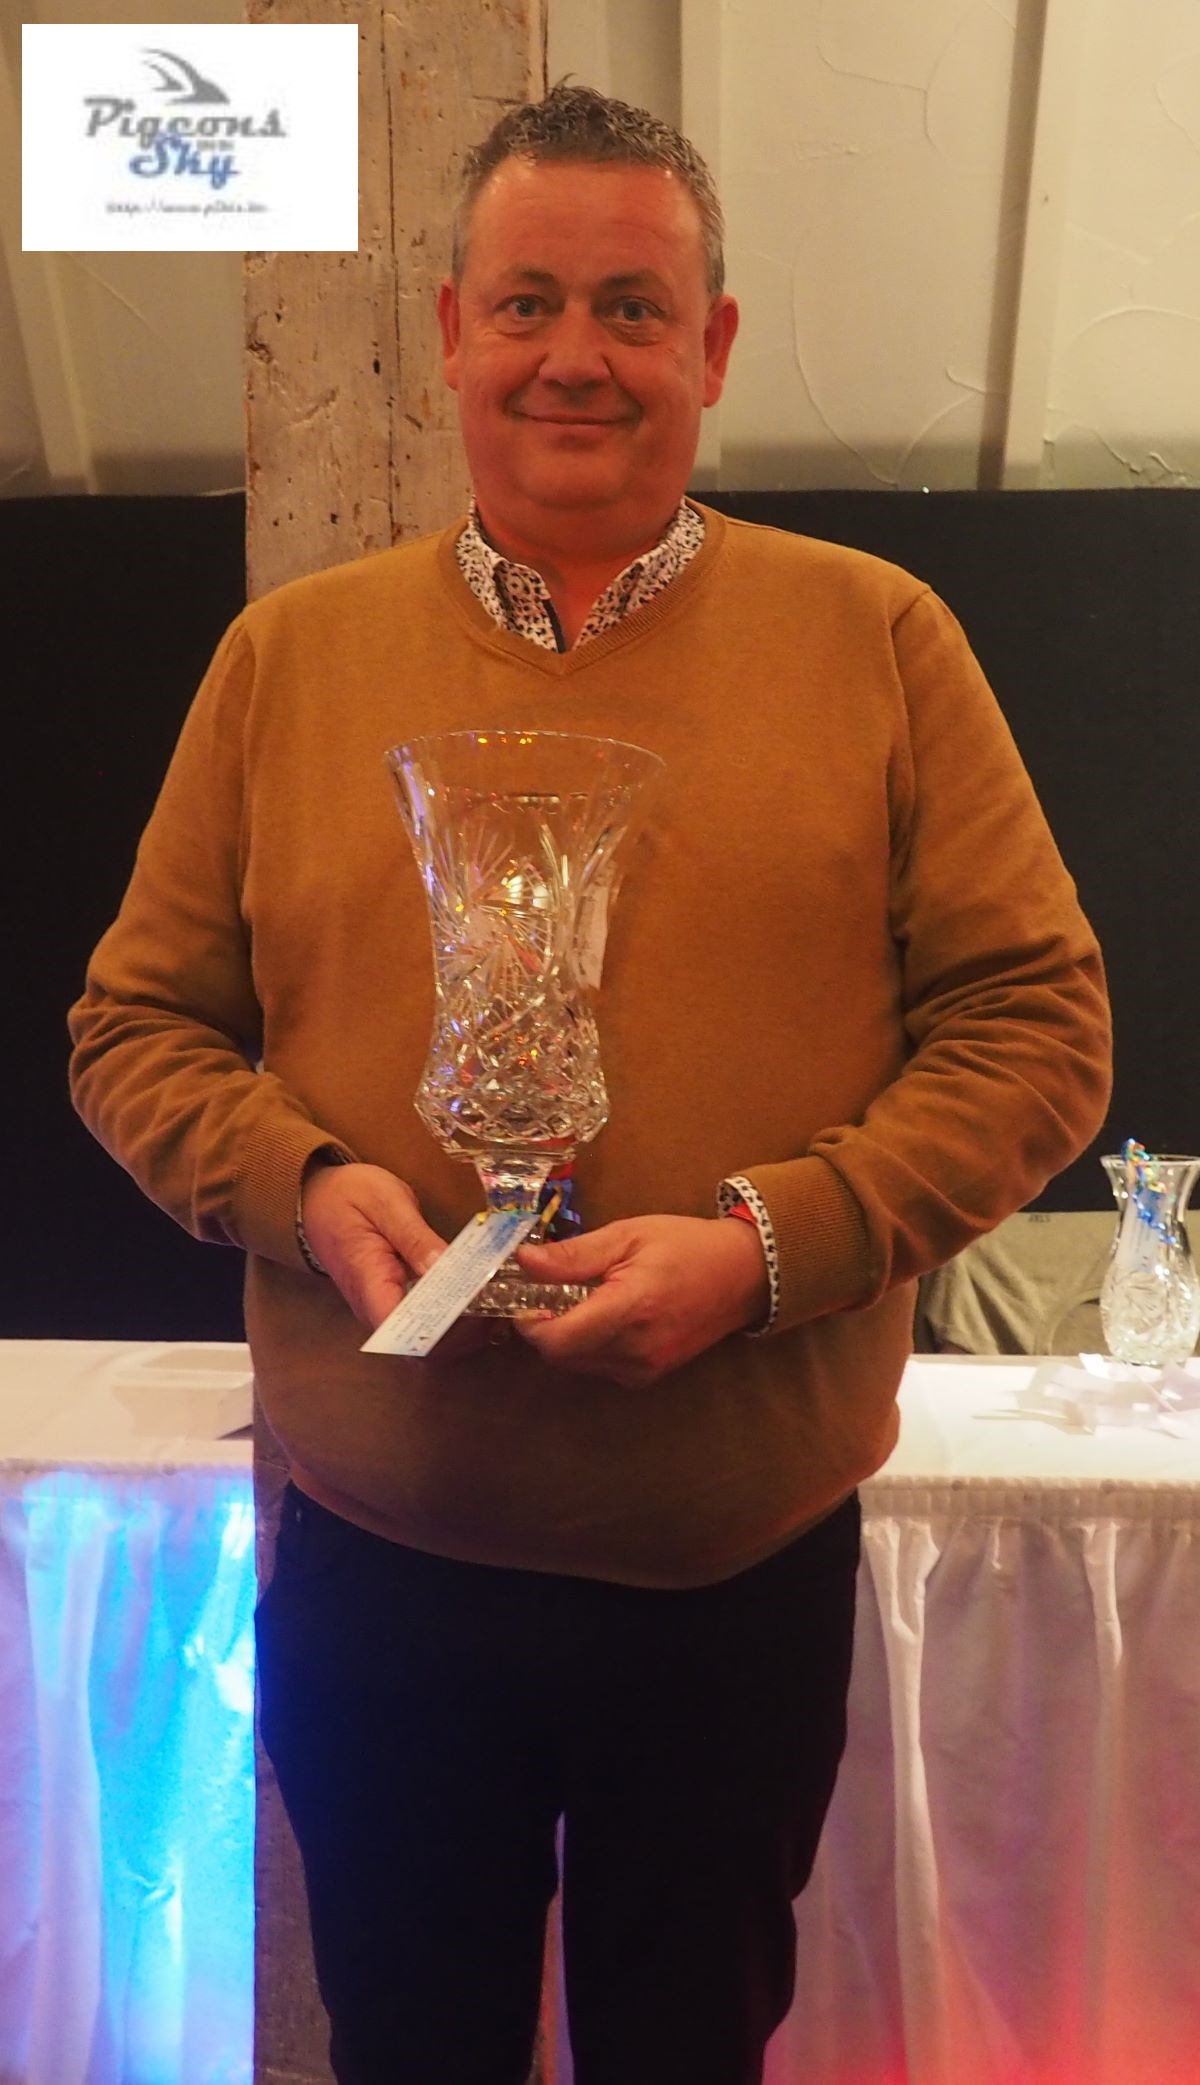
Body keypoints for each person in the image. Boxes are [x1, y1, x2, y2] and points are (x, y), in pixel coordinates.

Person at [69, 84, 1111, 2085]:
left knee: (688, 2051)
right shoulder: (287, 662)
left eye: (632, 308)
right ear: (451, 330)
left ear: (710, 346)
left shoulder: (881, 641)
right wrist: (301, 1183)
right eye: (528, 302)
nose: (576, 354)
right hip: (383, 1564)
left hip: (732, 1580)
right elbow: (134, 1028)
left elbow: (1041, 1027)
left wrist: (771, 1246)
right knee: (411, 2049)